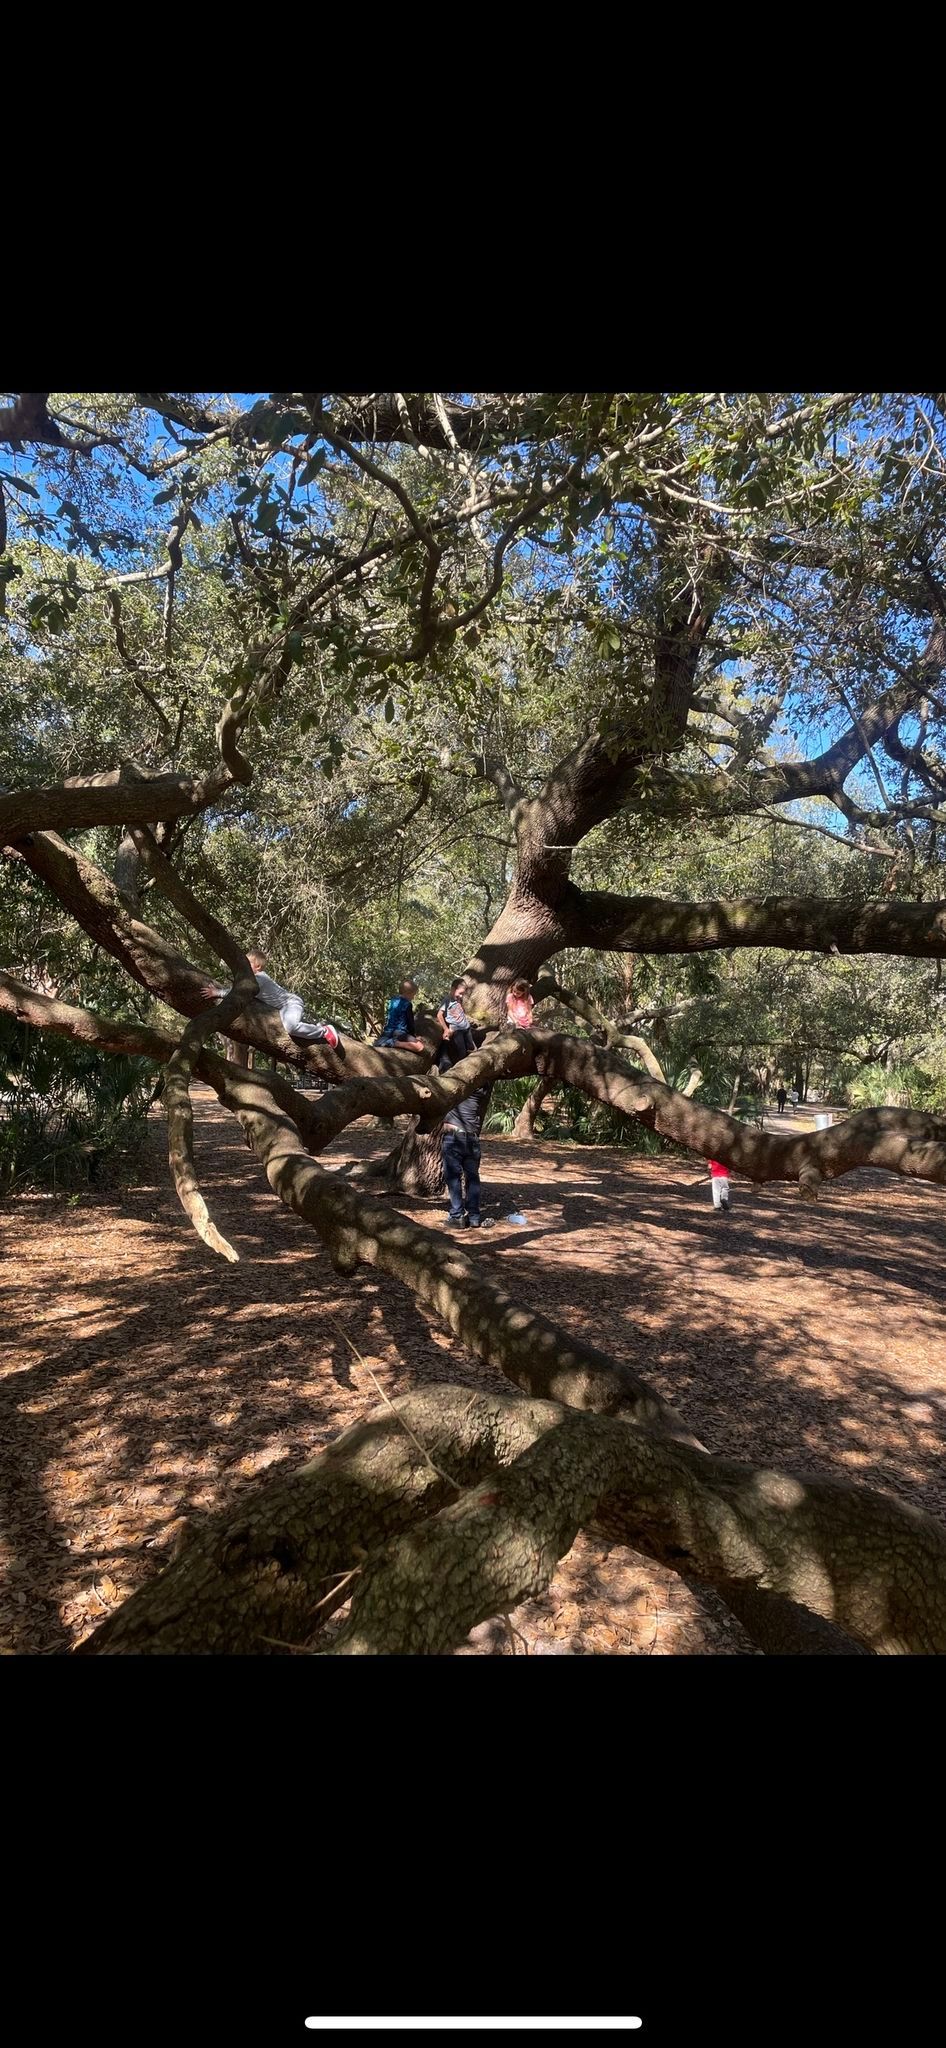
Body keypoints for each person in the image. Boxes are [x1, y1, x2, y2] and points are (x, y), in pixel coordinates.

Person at [214, 952, 345, 1056]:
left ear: (258, 966)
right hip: (283, 1009)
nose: (244, 967)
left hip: (291, 1003)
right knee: (289, 1025)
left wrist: (218, 992)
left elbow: (240, 992)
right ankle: (316, 1026)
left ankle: (324, 1031)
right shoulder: (255, 980)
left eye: (248, 964)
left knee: (291, 1028)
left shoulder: (260, 978)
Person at [442, 1086, 494, 1230]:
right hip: (472, 1139)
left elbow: (445, 1068)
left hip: (454, 1139)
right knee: (472, 1178)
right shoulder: (480, 1089)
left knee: (453, 1177)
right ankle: (474, 1217)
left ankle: (457, 1216)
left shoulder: (454, 1088)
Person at [375, 978, 427, 1052]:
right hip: (400, 1033)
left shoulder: (392, 1001)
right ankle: (395, 1043)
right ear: (407, 993)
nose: (413, 997)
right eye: (413, 995)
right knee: (420, 1047)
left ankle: (384, 1041)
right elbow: (410, 1023)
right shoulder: (407, 1004)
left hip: (387, 1031)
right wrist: (413, 1037)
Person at [436, 977, 476, 1067]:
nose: (461, 996)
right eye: (460, 993)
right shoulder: (446, 1000)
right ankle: (463, 1065)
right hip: (456, 1030)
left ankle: (473, 1059)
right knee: (461, 1049)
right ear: (453, 989)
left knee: (471, 1047)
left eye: (463, 994)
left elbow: (461, 1009)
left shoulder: (459, 999)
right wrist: (446, 1029)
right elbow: (439, 1015)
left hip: (466, 1027)